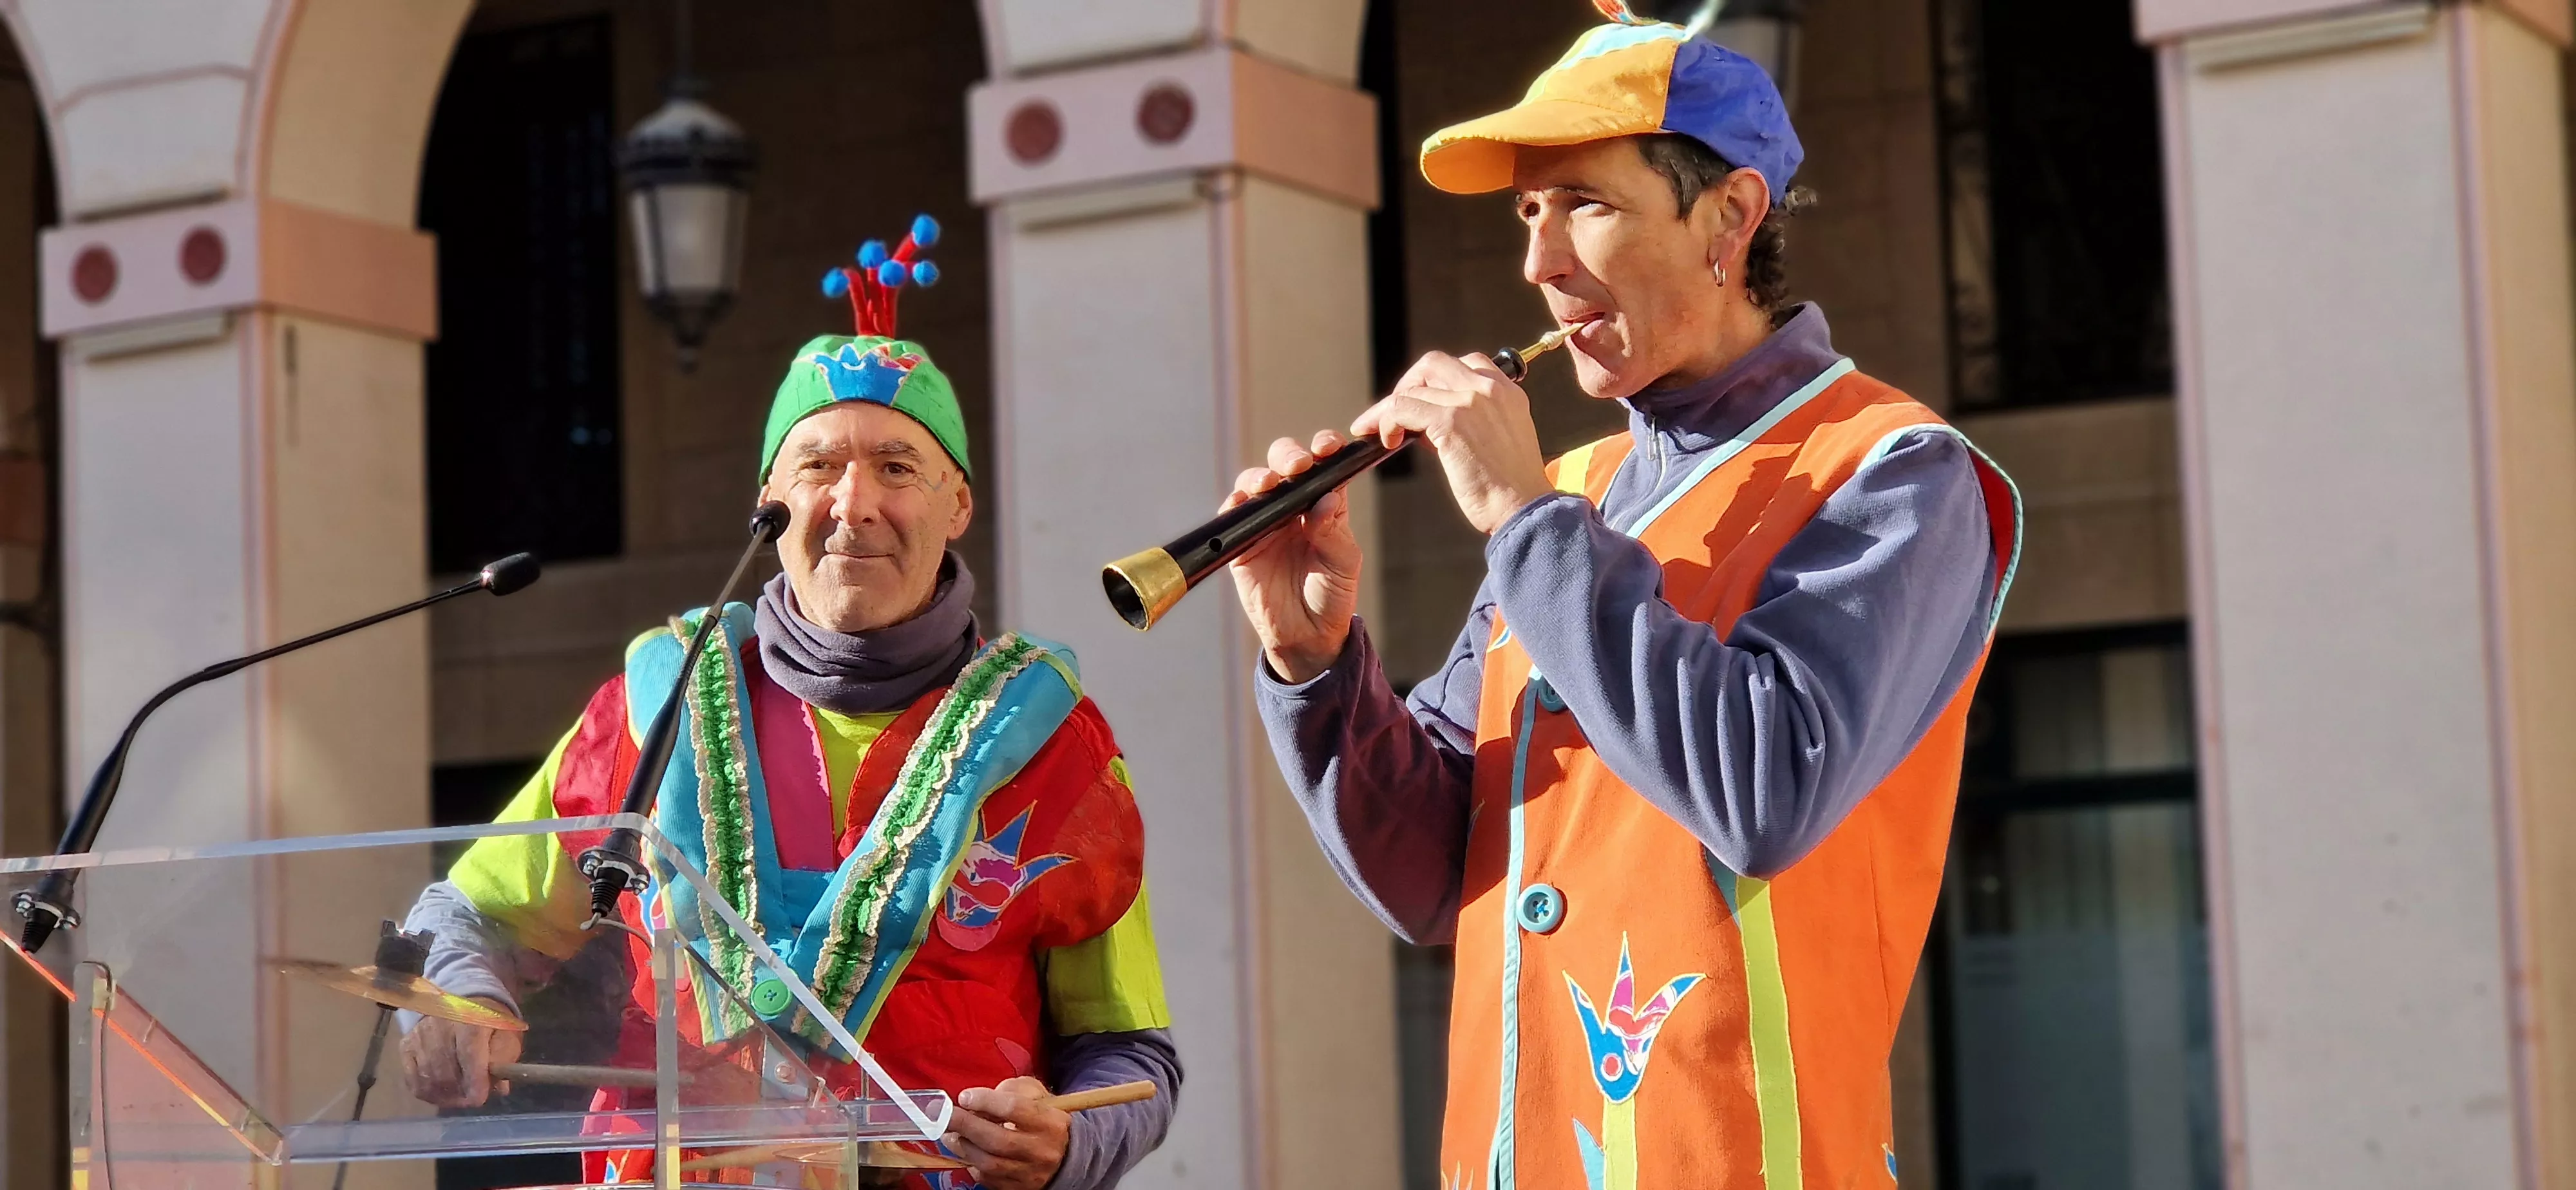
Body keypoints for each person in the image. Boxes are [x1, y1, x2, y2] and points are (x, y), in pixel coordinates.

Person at [1227, 17, 2020, 1190]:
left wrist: (1521, 519)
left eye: (1585, 205)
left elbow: (1766, 794)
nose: (1540, 266)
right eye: (1526, 216)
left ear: (1731, 219)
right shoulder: (1578, 492)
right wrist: (1316, 659)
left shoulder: (1895, 468)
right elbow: (1434, 874)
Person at [399, 220, 1177, 1190]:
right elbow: (467, 918)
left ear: (957, 506)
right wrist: (454, 997)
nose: (853, 504)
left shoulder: (1056, 745)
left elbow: (1136, 1062)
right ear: (769, 499)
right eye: (818, 466)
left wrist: (1070, 1142)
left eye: (898, 467)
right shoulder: (654, 709)